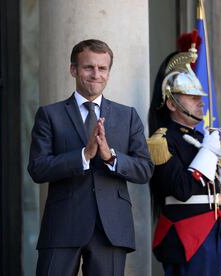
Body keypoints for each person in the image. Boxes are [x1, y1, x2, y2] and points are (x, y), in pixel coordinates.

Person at [28, 39, 154, 276]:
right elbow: (37, 168)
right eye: (88, 67)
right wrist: (83, 155)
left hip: (111, 228)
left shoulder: (127, 116)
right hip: (62, 224)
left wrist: (111, 157)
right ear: (73, 69)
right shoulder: (49, 115)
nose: (96, 74)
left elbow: (145, 169)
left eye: (102, 68)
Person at [147, 34, 221, 276]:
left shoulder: (198, 139)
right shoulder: (162, 141)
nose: (199, 102)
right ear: (172, 103)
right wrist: (206, 152)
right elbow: (182, 190)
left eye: (200, 97)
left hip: (213, 231)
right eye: (191, 97)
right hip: (186, 235)